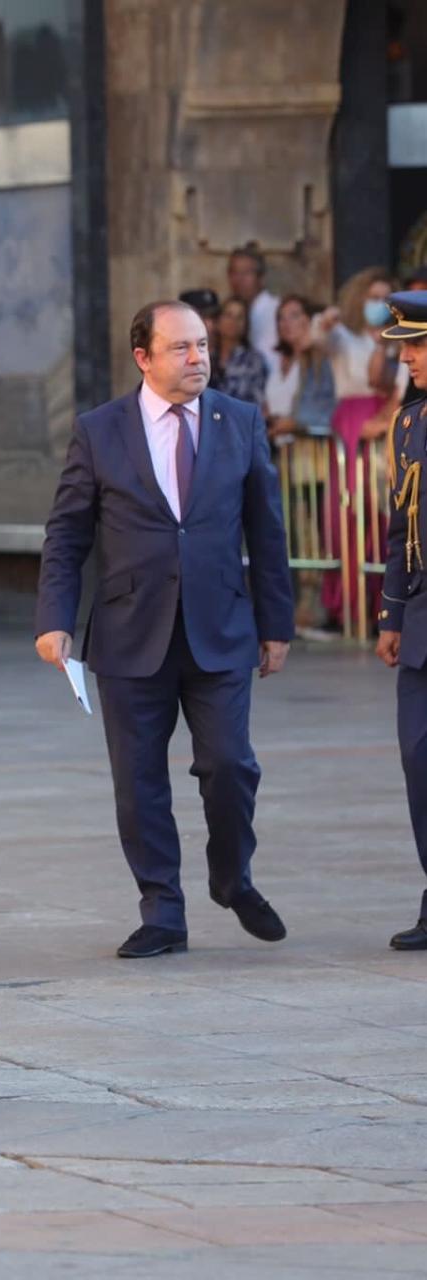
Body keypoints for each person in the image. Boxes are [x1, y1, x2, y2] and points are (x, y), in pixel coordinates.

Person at [36, 299, 295, 959]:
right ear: (143, 357)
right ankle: (163, 911)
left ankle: (232, 877)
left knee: (231, 765)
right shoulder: (100, 431)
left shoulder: (238, 421)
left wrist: (277, 624)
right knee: (140, 780)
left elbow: (267, 530)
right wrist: (54, 619)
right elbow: (66, 533)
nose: (198, 359)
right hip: (129, 633)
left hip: (222, 628)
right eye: (181, 348)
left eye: (203, 345)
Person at [374, 290, 427, 950]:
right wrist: (391, 613)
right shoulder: (410, 421)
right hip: (420, 615)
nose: (408, 356)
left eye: (417, 344)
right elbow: (399, 524)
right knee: (419, 757)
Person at [319, 268, 399, 630]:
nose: (377, 303)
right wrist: (324, 320)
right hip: (351, 423)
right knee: (348, 511)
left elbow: (382, 380)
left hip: (384, 419)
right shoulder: (342, 336)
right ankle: (347, 604)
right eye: (372, 296)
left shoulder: (397, 340)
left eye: (385, 297)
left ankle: (382, 605)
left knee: (382, 514)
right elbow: (314, 340)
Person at [264, 295, 336, 442]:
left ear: (309, 319)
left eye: (294, 316)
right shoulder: (276, 361)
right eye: (281, 318)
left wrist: (293, 423)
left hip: (308, 447)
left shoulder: (318, 359)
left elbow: (324, 407)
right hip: (277, 447)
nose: (286, 323)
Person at [229, 245, 281, 379]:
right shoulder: (232, 314)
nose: (239, 280)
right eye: (234, 272)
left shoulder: (277, 310)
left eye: (246, 273)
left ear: (260, 277)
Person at [209, 296, 268, 407]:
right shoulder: (208, 358)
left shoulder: (254, 360)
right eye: (228, 315)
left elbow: (256, 402)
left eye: (240, 317)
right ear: (218, 321)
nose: (233, 321)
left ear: (246, 324)